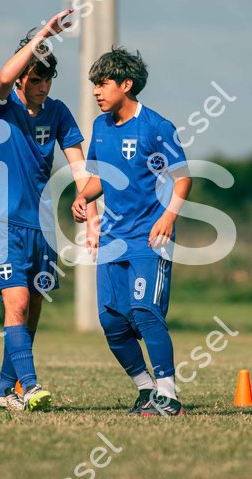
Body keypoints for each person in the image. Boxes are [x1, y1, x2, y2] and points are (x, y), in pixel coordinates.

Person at [0, 9, 95, 411]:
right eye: (35, 79)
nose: (42, 86)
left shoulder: (58, 112)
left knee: (31, 312)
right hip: (3, 223)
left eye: (47, 79)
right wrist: (44, 35)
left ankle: (2, 393)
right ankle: (29, 387)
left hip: (42, 227)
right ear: (22, 79)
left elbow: (79, 167)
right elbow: (3, 77)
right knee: (15, 304)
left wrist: (88, 206)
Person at [72, 47, 192, 416]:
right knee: (111, 320)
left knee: (145, 312)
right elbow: (101, 178)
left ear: (127, 85)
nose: (96, 91)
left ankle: (169, 396)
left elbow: (183, 178)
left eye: (103, 83)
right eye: (94, 84)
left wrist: (169, 216)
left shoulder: (157, 127)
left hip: (149, 238)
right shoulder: (100, 127)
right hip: (112, 239)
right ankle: (145, 389)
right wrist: (83, 198)